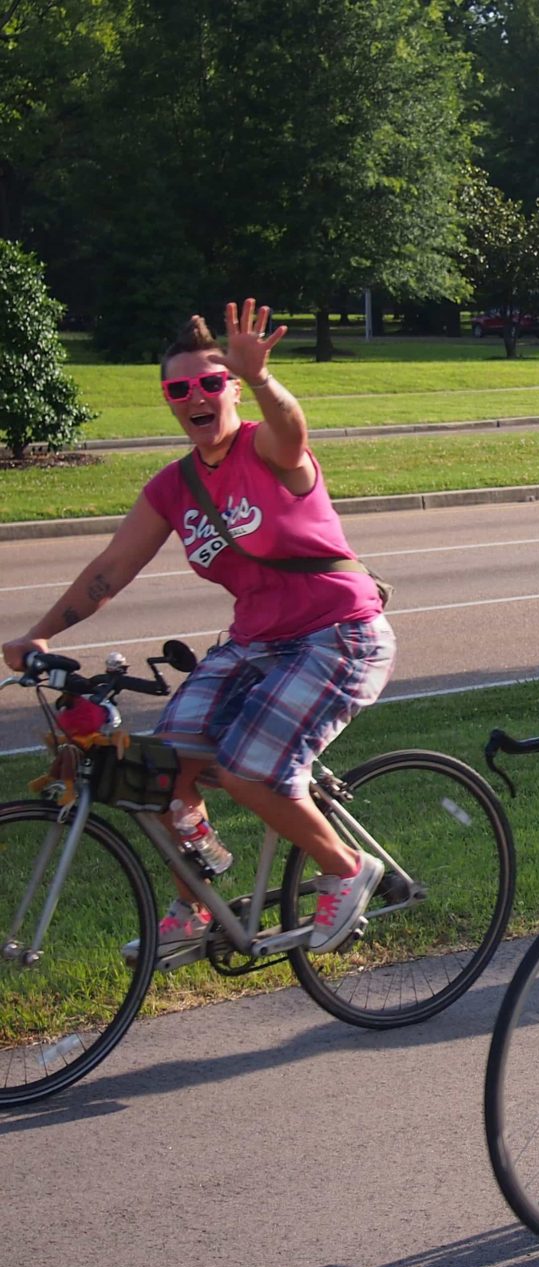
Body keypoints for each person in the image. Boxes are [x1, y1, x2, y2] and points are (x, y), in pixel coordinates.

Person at [3, 300, 395, 957]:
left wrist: (264, 379)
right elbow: (111, 570)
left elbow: (292, 430)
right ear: (169, 401)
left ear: (232, 389)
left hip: (338, 633)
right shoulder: (173, 488)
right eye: (179, 389)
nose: (196, 397)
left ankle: (347, 869)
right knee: (161, 769)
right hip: (256, 644)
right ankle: (200, 905)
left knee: (249, 772)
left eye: (211, 382)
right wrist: (41, 634)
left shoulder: (264, 448)